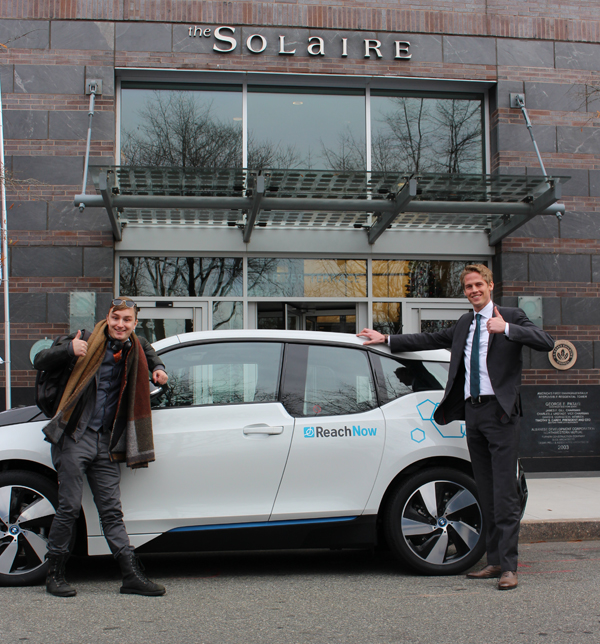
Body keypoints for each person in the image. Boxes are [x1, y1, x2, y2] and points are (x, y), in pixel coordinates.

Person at [358, 264, 554, 591]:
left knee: (505, 493)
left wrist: (506, 329)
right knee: (487, 491)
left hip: (501, 414)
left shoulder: (511, 316)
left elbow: (545, 341)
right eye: (468, 287)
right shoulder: (465, 323)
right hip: (473, 415)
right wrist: (387, 338)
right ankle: (493, 562)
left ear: (491, 285)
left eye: (478, 285)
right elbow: (429, 338)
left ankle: (509, 567)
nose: (474, 291)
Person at [33, 299, 169, 598]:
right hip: (75, 437)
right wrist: (68, 351)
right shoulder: (83, 339)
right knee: (68, 507)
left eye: (127, 320)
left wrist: (158, 369)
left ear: (135, 323)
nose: (121, 324)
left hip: (105, 443)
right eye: (116, 317)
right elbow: (41, 360)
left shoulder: (135, 346)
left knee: (111, 511)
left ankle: (131, 576)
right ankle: (55, 574)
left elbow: (151, 354)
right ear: (107, 317)